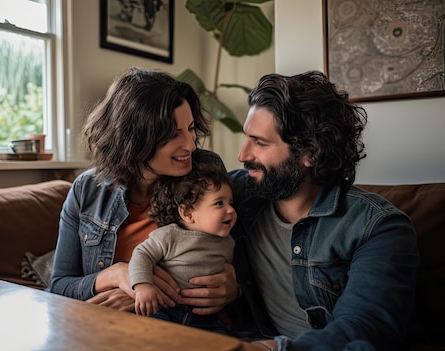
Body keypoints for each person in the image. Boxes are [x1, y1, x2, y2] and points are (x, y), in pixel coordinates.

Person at [227, 71, 420, 351]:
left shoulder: (378, 227)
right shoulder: (236, 195)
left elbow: (363, 328)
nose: (243, 155)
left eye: (260, 142)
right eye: (247, 138)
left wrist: (271, 348)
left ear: (310, 154)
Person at [49, 67, 239, 315]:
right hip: (107, 327)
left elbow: (241, 266)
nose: (191, 145)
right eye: (173, 134)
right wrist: (116, 275)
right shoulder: (86, 190)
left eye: (191, 128)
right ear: (135, 139)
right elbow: (59, 286)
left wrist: (234, 288)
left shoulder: (205, 174)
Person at [129, 161, 236, 333]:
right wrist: (143, 286)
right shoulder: (170, 235)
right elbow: (141, 254)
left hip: (207, 318)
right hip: (165, 311)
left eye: (231, 203)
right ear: (187, 213)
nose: (230, 210)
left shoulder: (228, 241)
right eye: (219, 203)